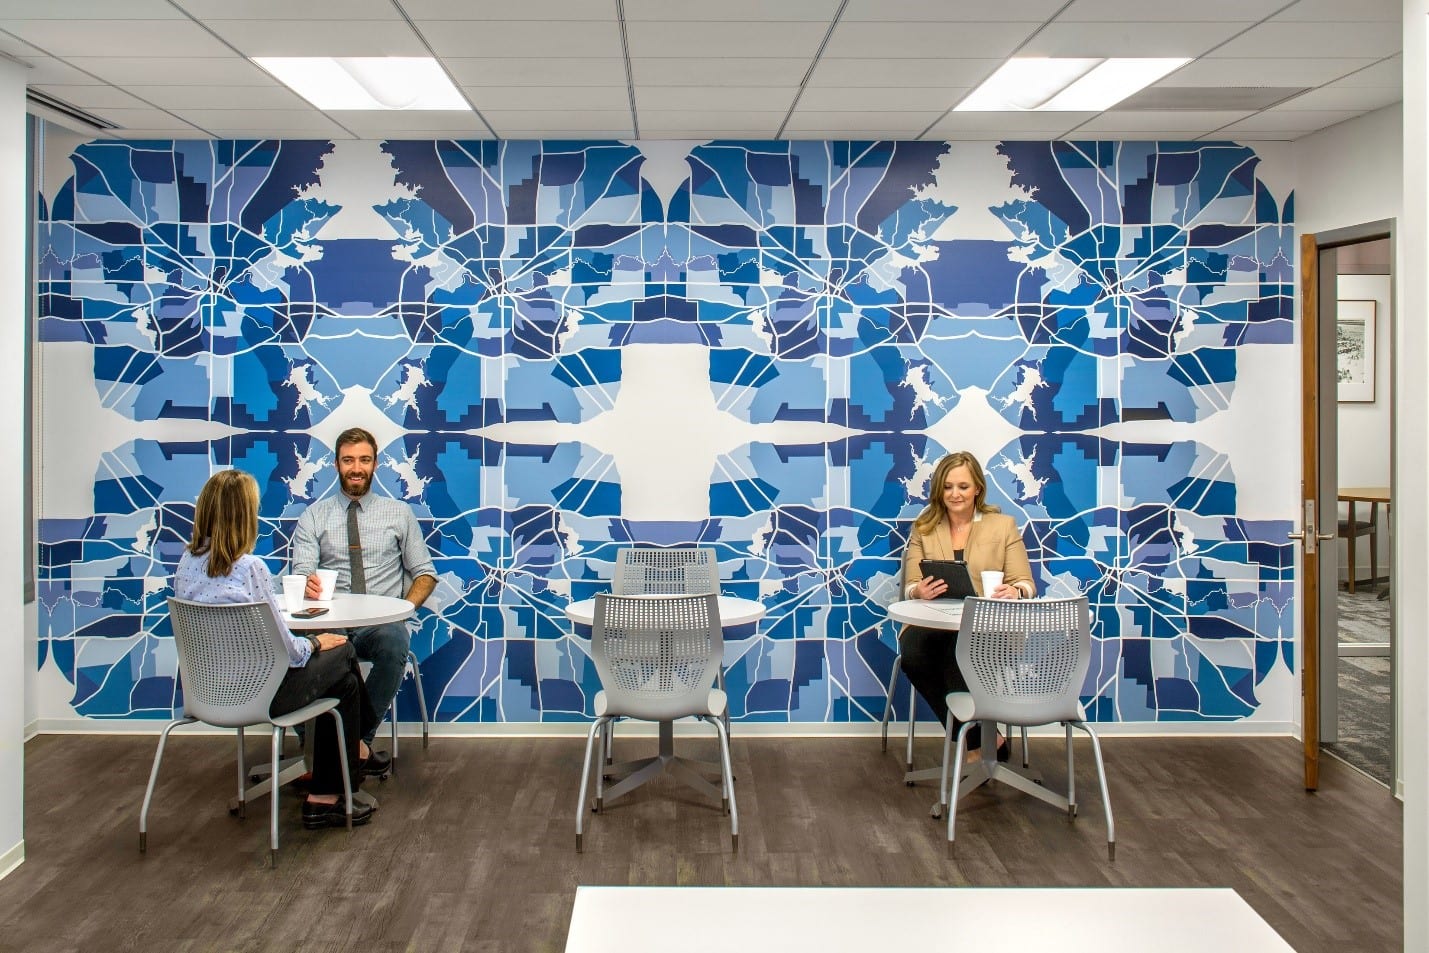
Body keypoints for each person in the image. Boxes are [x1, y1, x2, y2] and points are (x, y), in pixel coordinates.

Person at [174, 469, 381, 829]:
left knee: (345, 682)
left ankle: (331, 790)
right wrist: (315, 642)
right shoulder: (250, 568)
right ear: (244, 516)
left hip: (209, 693)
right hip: (260, 694)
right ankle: (340, 775)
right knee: (344, 652)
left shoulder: (186, 563)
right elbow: (287, 650)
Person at [291, 427, 437, 760]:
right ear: (336, 464)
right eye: (348, 460)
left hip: (379, 625)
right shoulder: (314, 515)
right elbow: (301, 571)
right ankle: (316, 746)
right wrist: (306, 582)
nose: (356, 468)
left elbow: (425, 574)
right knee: (296, 644)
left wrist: (402, 610)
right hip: (332, 623)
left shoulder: (399, 513)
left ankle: (356, 742)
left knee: (394, 641)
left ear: (375, 464)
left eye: (364, 460)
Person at [899, 450, 1036, 759]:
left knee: (958, 651)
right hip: (934, 623)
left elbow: (1026, 583)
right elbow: (909, 586)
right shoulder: (923, 528)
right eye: (948, 487)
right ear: (939, 490)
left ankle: (973, 746)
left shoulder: (1002, 525)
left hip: (990, 629)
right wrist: (918, 590)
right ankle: (981, 739)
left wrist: (1016, 591)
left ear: (977, 489)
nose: (955, 494)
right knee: (913, 655)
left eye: (963, 486)